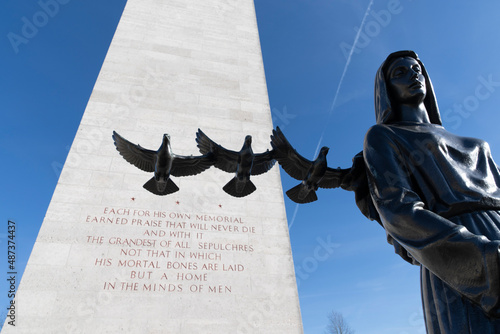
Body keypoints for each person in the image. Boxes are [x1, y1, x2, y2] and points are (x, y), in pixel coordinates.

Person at [357, 50, 500, 333]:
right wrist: (483, 257)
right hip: (456, 257)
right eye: (400, 72)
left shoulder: (478, 144)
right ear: (386, 90)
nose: (413, 74)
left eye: (417, 69)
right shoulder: (384, 136)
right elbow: (399, 211)